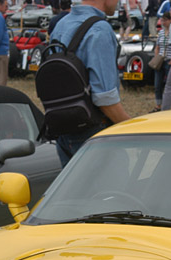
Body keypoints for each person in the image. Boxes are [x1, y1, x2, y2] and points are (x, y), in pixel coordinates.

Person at [49, 0, 130, 163]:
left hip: (62, 127)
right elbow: (105, 99)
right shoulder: (100, 29)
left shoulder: (61, 24)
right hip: (93, 131)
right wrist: (132, 127)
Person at [151, 10, 171, 110]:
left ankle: (167, 104)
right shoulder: (161, 32)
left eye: (165, 21)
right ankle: (158, 104)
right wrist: (156, 57)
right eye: (162, 21)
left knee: (168, 84)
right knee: (157, 84)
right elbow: (157, 46)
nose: (163, 23)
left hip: (169, 60)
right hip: (160, 60)